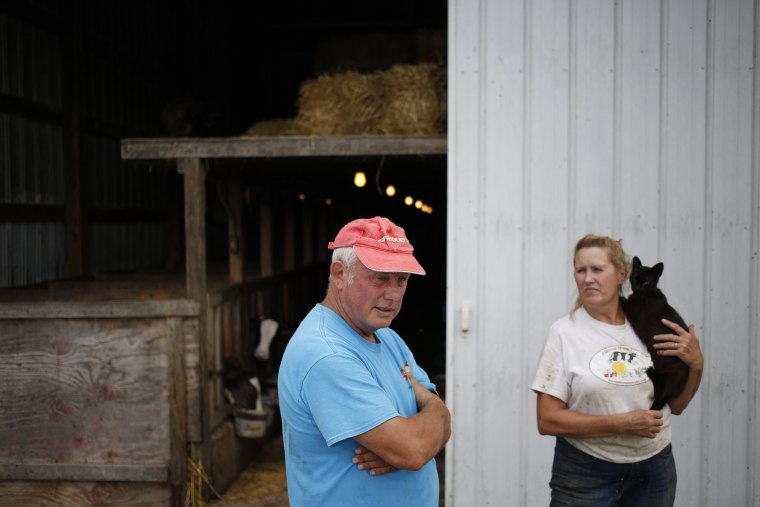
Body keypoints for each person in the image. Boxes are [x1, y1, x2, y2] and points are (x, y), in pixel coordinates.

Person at [278, 216, 451, 507]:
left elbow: (438, 427)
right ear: (339, 274)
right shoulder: (326, 354)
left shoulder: (386, 337)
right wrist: (423, 431)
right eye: (380, 278)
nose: (393, 294)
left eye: (401, 280)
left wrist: (429, 421)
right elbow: (414, 449)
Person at [531, 234, 704, 507]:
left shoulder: (655, 324)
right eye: (580, 270)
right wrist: (622, 424)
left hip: (654, 470)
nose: (588, 278)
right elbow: (547, 420)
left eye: (597, 269)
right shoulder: (564, 333)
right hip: (586, 472)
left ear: (623, 274)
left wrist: (697, 365)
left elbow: (678, 405)